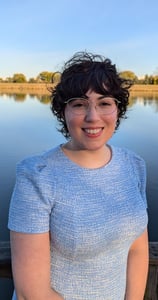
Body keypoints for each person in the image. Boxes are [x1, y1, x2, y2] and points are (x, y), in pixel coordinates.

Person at [8, 51, 148, 300]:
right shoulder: (37, 176)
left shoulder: (133, 165)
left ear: (118, 109)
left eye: (105, 103)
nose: (93, 117)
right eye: (79, 104)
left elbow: (137, 248)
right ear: (63, 112)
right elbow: (32, 292)